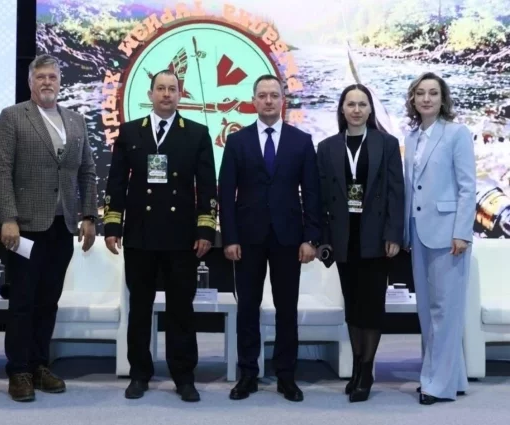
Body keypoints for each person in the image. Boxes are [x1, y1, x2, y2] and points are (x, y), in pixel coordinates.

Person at [103, 70, 217, 402]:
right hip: (140, 234)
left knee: (181, 309)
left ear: (180, 95)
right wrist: (113, 226)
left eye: (172, 89)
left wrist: (205, 228)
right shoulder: (130, 132)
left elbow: (206, 187)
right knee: (140, 308)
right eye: (161, 89)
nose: (166, 94)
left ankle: (184, 376)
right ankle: (139, 373)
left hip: (181, 237)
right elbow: (116, 182)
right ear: (150, 94)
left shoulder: (196, 133)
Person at [0, 54, 98, 402]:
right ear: (30, 82)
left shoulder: (76, 120)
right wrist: (8, 218)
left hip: (62, 226)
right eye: (41, 77)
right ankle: (18, 370)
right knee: (23, 301)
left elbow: (87, 172)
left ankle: (39, 365)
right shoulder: (12, 117)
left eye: (52, 76)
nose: (47, 82)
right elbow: (0, 171)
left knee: (49, 300)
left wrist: (89, 215)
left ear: (60, 82)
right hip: (25, 227)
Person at [218, 74, 321, 402]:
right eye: (262, 95)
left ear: (282, 101)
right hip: (247, 239)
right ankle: (248, 374)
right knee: (247, 307)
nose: (268, 101)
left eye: (273, 95)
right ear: (253, 100)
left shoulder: (301, 141)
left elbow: (312, 194)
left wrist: (311, 238)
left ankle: (286, 376)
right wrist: (229, 237)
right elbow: (226, 193)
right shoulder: (237, 141)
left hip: (289, 238)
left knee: (286, 308)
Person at [316, 84, 404, 402]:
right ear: (342, 108)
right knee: (352, 306)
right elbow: (321, 196)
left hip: (376, 237)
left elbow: (396, 192)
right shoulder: (326, 147)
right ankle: (357, 366)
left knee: (372, 307)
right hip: (344, 237)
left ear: (370, 109)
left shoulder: (387, 143)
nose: (356, 110)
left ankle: (367, 370)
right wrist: (322, 239)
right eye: (350, 104)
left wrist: (394, 234)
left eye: (362, 104)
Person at [402, 72, 475, 405]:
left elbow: (467, 187)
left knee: (445, 311)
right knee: (427, 311)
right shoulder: (412, 137)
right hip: (418, 232)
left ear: (443, 98)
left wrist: (462, 232)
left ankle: (435, 385)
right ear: (413, 99)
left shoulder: (457, 133)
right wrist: (405, 231)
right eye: (421, 93)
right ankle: (451, 378)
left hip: (448, 235)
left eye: (433, 93)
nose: (426, 98)